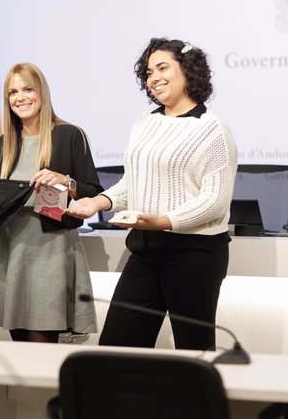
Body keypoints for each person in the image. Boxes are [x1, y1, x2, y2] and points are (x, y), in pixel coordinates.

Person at [67, 38, 238, 350]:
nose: (154, 77)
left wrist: (164, 220)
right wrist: (98, 202)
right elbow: (134, 183)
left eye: (163, 68)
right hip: (145, 251)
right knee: (117, 347)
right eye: (148, 72)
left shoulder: (213, 129)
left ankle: (197, 400)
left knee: (194, 350)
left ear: (188, 70)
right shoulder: (145, 122)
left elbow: (215, 201)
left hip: (195, 255)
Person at [0, 63, 101, 343]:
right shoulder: (8, 141)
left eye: (27, 89)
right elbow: (3, 197)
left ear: (41, 91)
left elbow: (93, 191)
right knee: (18, 346)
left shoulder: (69, 135)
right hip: (10, 249)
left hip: (50, 251)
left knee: (42, 347)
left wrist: (64, 180)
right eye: (13, 92)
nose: (20, 97)